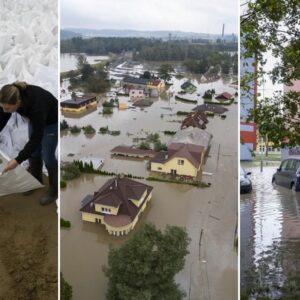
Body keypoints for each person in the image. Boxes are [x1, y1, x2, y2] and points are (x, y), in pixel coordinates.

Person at [0, 81, 58, 205]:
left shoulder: (37, 106)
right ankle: (35, 181)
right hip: (34, 119)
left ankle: (54, 191)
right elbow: (2, 119)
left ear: (18, 103)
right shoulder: (8, 96)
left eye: (8, 108)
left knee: (48, 156)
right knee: (34, 152)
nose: (5, 111)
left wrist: (17, 160)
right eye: (3, 107)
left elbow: (36, 138)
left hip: (51, 121)